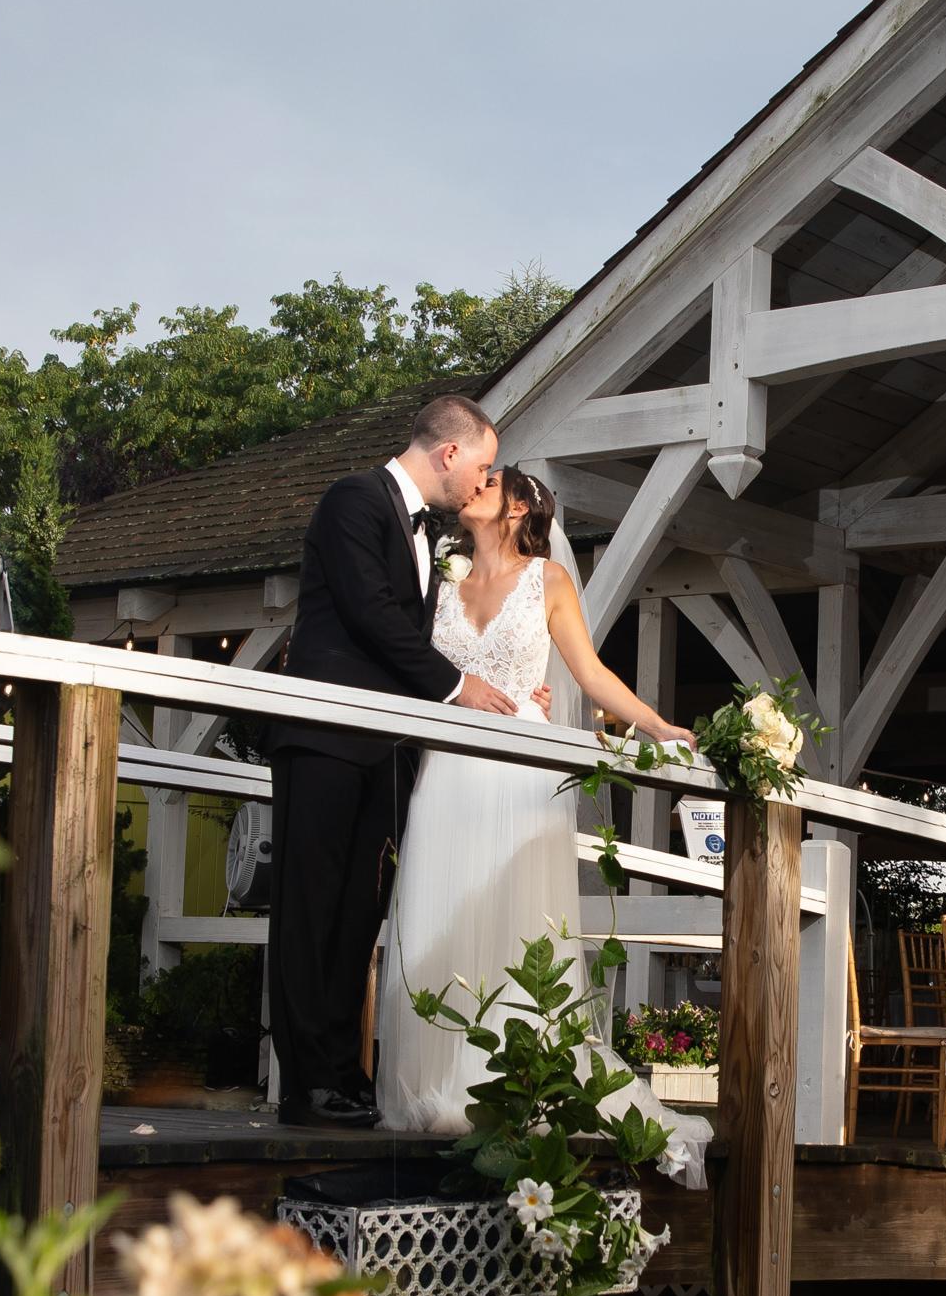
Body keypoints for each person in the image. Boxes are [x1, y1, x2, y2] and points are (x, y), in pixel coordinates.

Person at [372, 462, 699, 1144]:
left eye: (491, 484)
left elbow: (590, 671)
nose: (475, 487)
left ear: (519, 509)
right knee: (439, 914)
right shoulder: (441, 580)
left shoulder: (547, 581)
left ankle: (513, 1086)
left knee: (512, 921)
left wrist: (655, 725)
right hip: (447, 771)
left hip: (520, 774)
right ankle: (438, 1082)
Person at [262, 392, 517, 1127]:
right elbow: (370, 612)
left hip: (386, 750)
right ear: (449, 452)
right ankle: (306, 1085)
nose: (483, 481)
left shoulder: (431, 532)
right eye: (482, 466)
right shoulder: (353, 500)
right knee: (311, 909)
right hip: (324, 737)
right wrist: (457, 686)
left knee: (357, 915)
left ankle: (344, 1072)